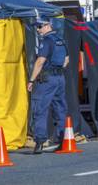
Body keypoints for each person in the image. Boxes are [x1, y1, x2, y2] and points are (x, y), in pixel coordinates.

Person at [27, 16, 69, 154]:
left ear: (47, 26)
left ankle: (39, 141)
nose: (38, 30)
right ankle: (63, 140)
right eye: (37, 27)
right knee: (60, 109)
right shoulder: (60, 40)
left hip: (47, 78)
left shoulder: (47, 41)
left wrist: (31, 80)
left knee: (40, 108)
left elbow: (40, 61)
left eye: (39, 26)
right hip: (59, 78)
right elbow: (66, 60)